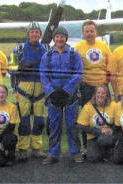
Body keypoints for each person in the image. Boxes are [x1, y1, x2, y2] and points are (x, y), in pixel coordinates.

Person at [40, 26, 83, 164]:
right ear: (54, 39)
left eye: (62, 36)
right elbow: (43, 74)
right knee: (54, 125)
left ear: (66, 38)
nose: (60, 39)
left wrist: (67, 89)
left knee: (72, 124)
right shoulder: (47, 55)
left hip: (69, 95)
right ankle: (53, 153)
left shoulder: (73, 53)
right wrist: (50, 91)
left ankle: (75, 152)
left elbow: (78, 73)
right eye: (57, 36)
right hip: (53, 96)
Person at [74, 20, 113, 156]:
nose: (89, 33)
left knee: (108, 117)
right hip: (87, 87)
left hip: (102, 87)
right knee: (87, 119)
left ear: (96, 32)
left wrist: (106, 82)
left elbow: (110, 65)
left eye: (92, 31)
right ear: (83, 33)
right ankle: (86, 146)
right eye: (87, 31)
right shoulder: (78, 47)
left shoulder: (104, 46)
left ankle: (109, 145)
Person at [12, 22, 48, 160]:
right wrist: (20, 66)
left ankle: (37, 148)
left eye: (37, 32)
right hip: (23, 87)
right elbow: (11, 68)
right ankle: (23, 148)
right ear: (28, 34)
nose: (34, 34)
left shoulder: (45, 48)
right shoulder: (19, 49)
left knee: (39, 120)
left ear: (40, 34)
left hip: (40, 87)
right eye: (32, 32)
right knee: (24, 120)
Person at [77, 85, 118, 162]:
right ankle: (104, 153)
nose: (100, 95)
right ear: (94, 94)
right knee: (93, 158)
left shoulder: (113, 105)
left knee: (103, 139)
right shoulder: (88, 106)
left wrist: (111, 130)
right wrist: (99, 131)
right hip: (93, 136)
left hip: (108, 136)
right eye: (98, 93)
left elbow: (119, 124)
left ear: (107, 95)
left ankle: (109, 150)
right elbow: (81, 126)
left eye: (103, 93)